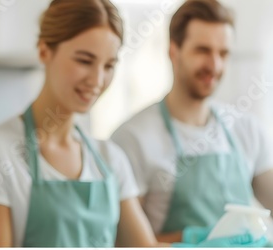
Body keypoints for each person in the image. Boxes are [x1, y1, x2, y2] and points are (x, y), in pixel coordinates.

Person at [0, 0, 265, 247]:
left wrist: (211, 240)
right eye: (84, 60)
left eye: (108, 66)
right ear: (44, 51)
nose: (97, 80)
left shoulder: (109, 159)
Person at [111, 0, 273, 244]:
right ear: (173, 50)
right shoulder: (132, 139)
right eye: (203, 50)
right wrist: (194, 241)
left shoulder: (246, 129)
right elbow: (125, 243)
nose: (215, 65)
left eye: (223, 53)